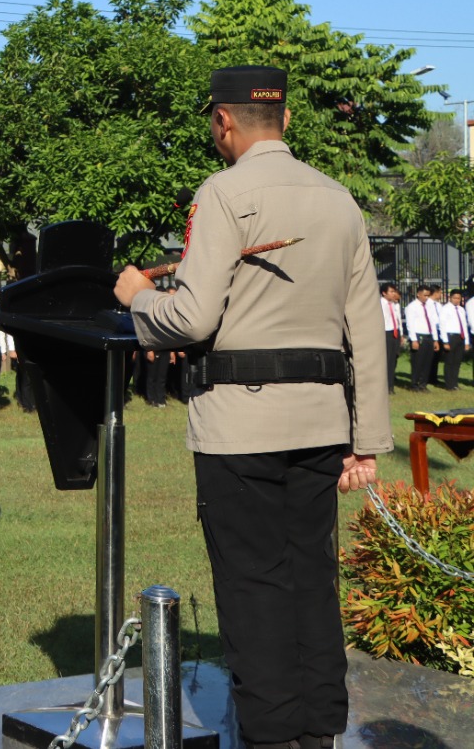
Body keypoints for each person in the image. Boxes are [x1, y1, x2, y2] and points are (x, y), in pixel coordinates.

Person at [113, 65, 391, 749]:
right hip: (322, 421)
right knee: (312, 581)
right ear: (287, 119)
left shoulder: (223, 192)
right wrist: (366, 440)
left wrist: (137, 297)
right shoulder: (340, 201)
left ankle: (270, 735)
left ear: (223, 121)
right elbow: (365, 328)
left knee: (253, 587)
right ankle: (320, 730)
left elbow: (192, 317)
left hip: (240, 426)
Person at [405, 284, 439, 390]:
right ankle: (415, 384)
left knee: (427, 361)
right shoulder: (412, 307)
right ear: (418, 294)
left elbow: (432, 323)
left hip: (429, 336)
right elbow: (410, 324)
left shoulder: (429, 306)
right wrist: (414, 339)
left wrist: (435, 339)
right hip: (419, 336)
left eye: (428, 295)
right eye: (425, 295)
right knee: (418, 361)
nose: (426, 297)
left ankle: (423, 384)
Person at [441, 289, 468, 391]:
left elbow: (464, 326)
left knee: (457, 362)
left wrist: (466, 341)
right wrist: (445, 341)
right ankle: (449, 384)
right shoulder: (445, 309)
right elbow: (442, 325)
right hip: (450, 336)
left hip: (460, 337)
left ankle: (455, 383)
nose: (457, 300)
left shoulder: (461, 310)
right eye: (455, 298)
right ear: (450, 298)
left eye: (458, 298)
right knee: (449, 361)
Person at [380, 283, 403, 392]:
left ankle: (390, 385)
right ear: (384, 293)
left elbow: (398, 320)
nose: (394, 294)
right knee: (386, 360)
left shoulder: (394, 304)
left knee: (393, 360)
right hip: (386, 333)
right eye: (391, 292)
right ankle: (384, 385)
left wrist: (400, 334)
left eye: (394, 291)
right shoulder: (380, 304)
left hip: (395, 332)